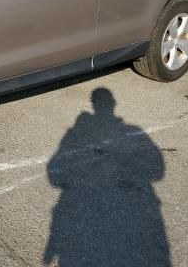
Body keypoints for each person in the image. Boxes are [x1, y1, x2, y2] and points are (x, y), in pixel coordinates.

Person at [43, 87, 170, 266]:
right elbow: (157, 171)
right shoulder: (132, 130)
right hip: (135, 221)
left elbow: (54, 175)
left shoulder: (75, 132)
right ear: (114, 104)